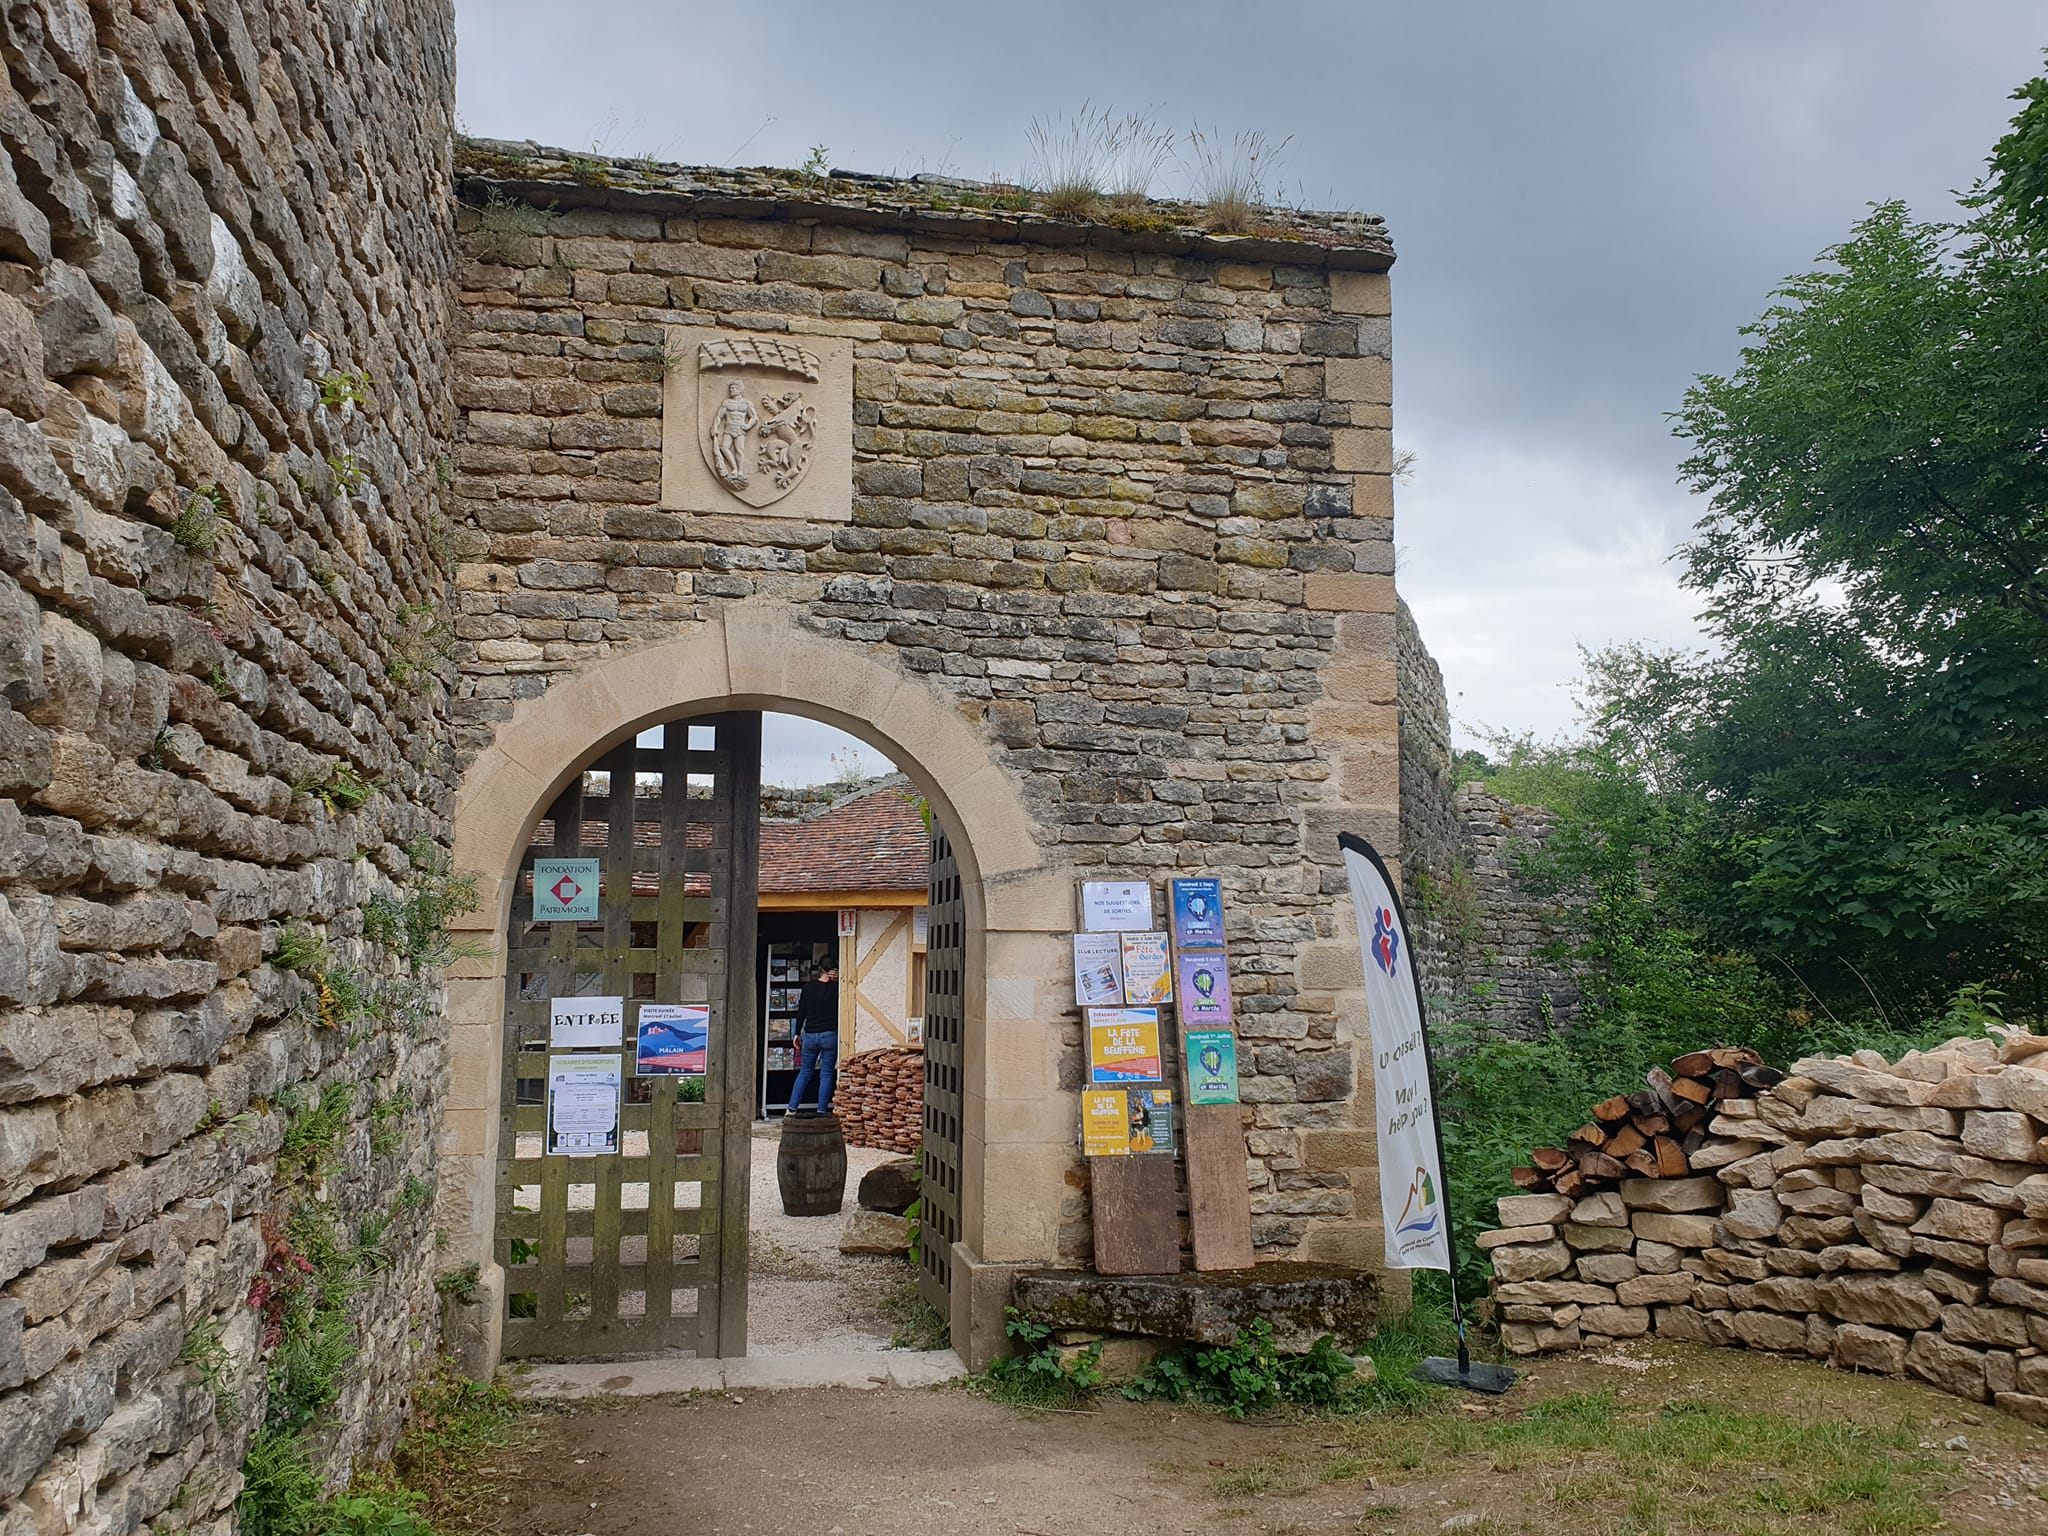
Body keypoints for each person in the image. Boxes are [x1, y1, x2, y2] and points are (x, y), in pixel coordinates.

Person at [785, 962, 840, 1114]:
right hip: (829, 1035)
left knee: (804, 1073)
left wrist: (797, 1033)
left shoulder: (808, 988)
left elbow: (801, 1012)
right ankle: (821, 1111)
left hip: (810, 1035)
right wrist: (838, 979)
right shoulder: (836, 988)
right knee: (826, 1075)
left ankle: (791, 1109)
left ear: (820, 969)